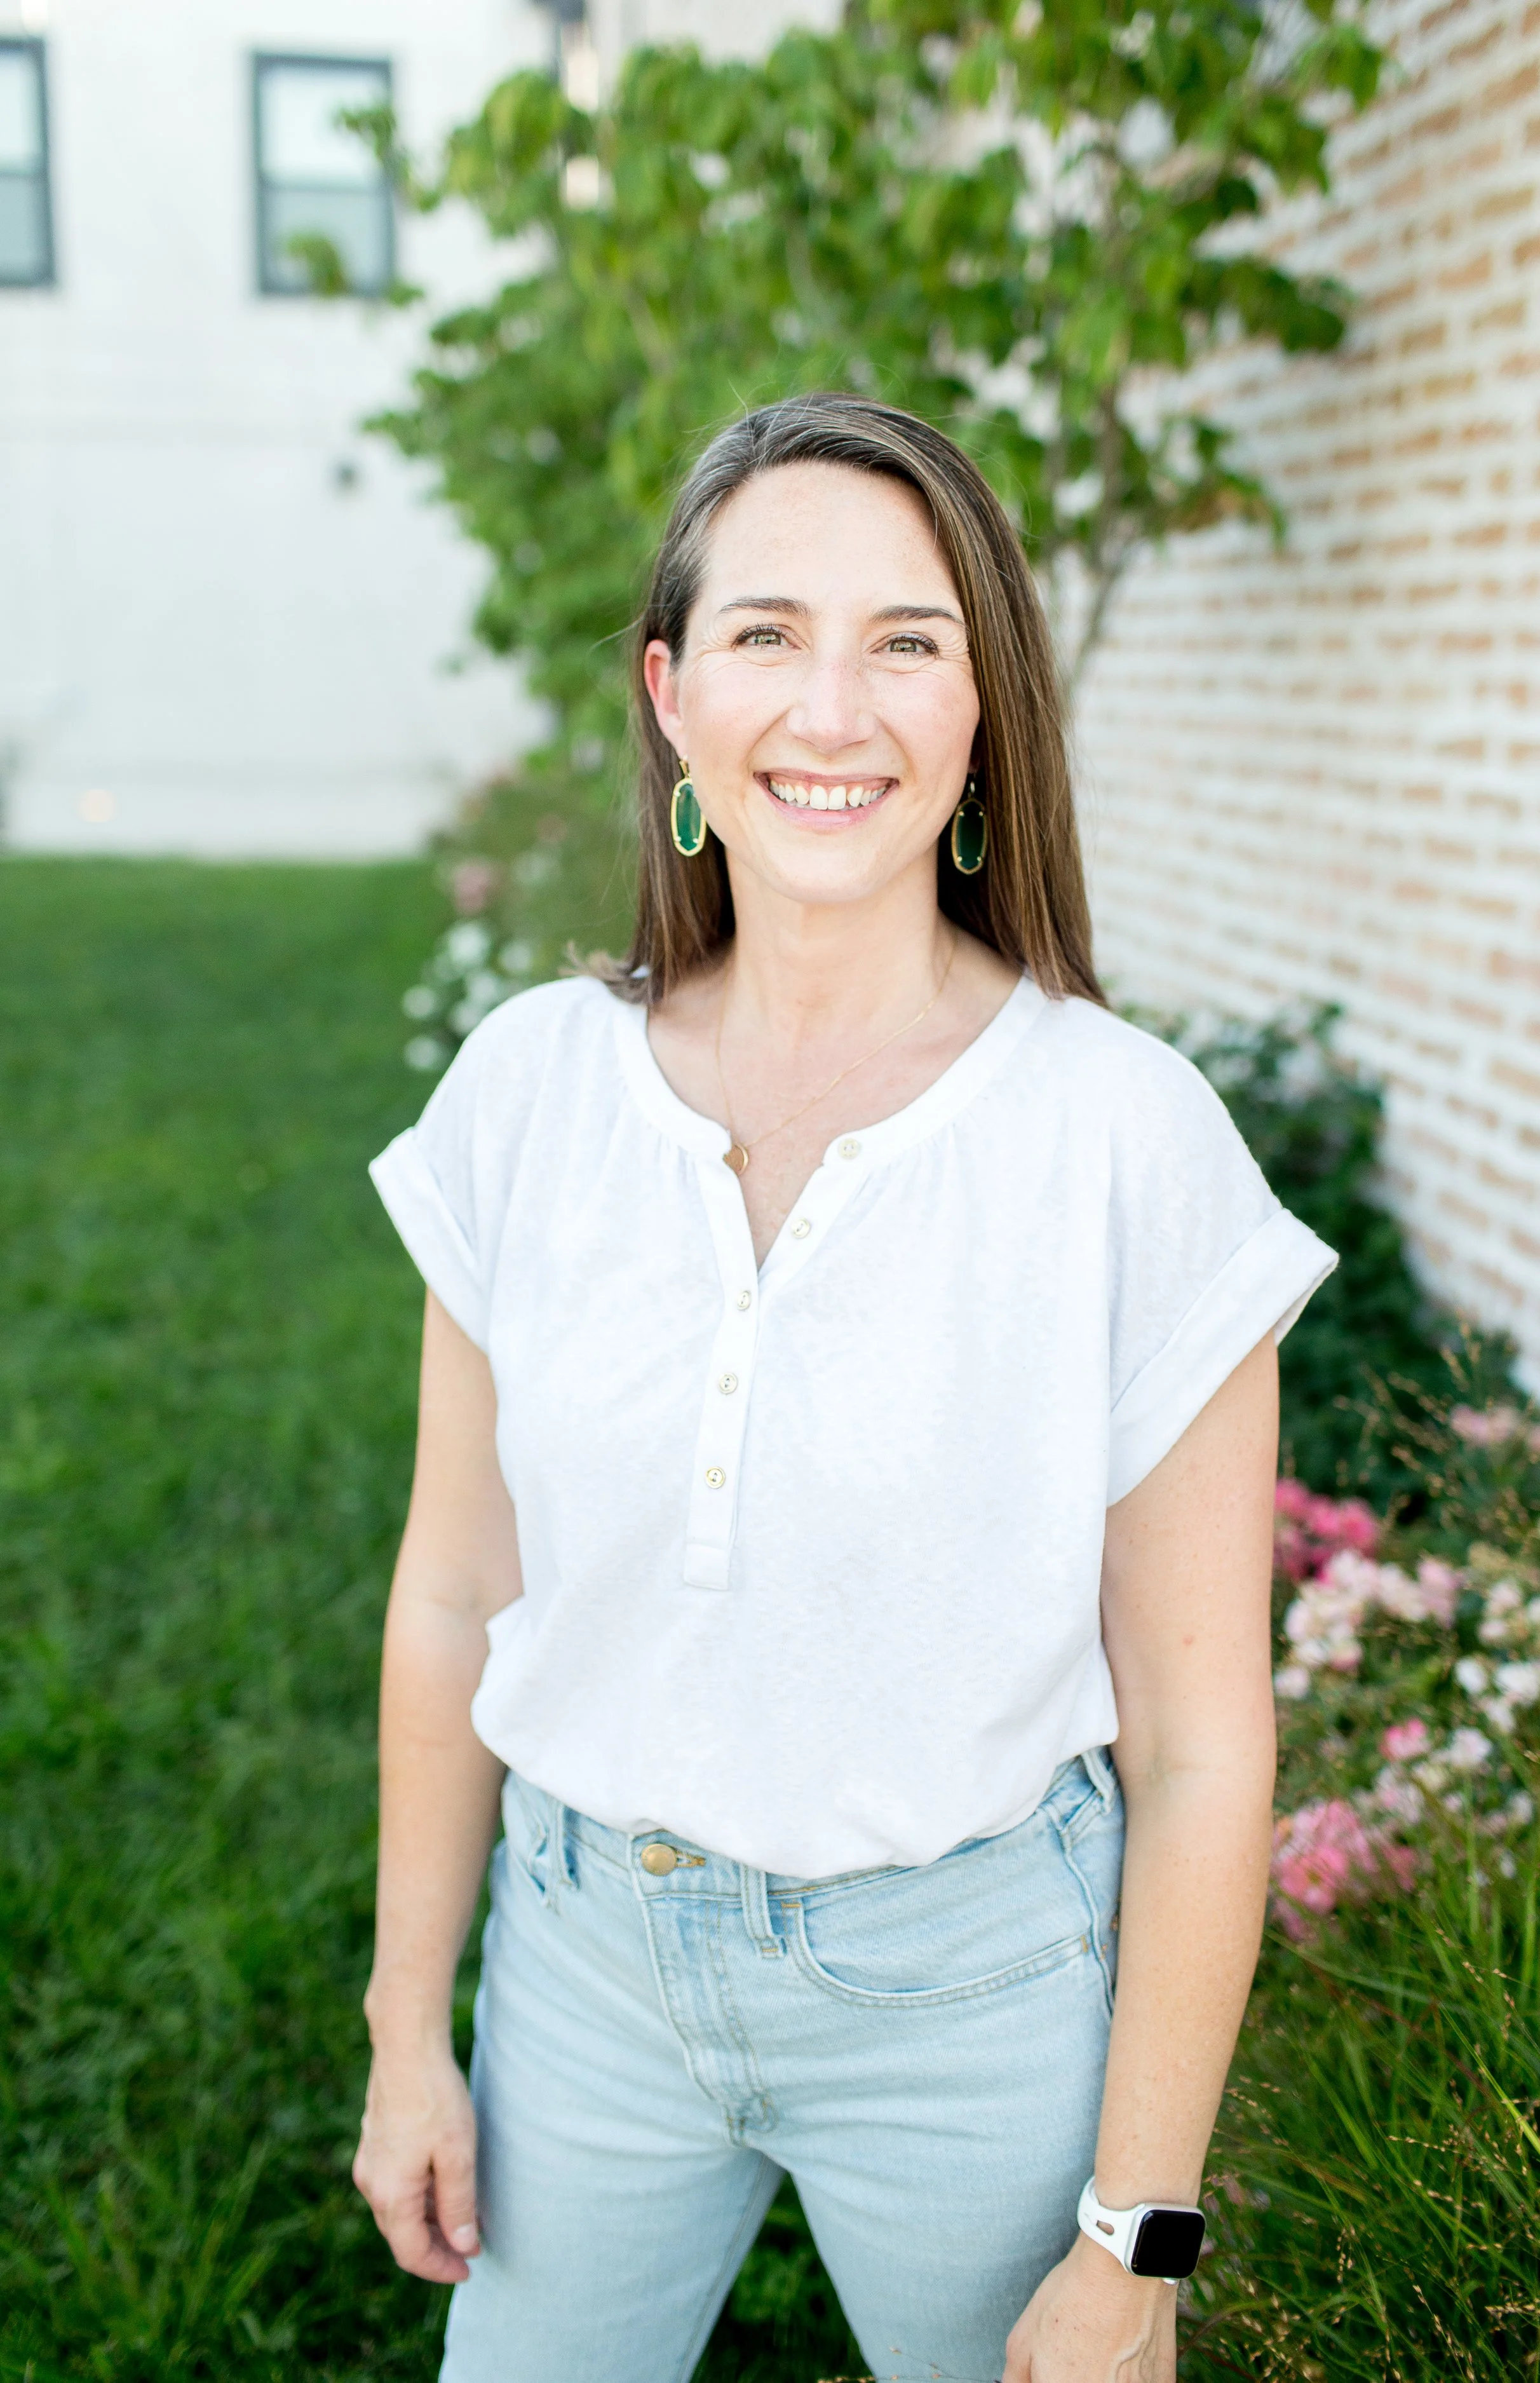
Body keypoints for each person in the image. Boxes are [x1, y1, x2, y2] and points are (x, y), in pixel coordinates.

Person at [353, 393, 1335, 2383]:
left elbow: (1202, 1744)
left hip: (970, 1996)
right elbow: (455, 1596)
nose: (834, 708)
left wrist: (1133, 2230)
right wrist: (405, 2024)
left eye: (907, 642)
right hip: (586, 1964)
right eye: (765, 634)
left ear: (983, 719)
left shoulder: (1123, 1140)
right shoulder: (528, 1090)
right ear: (670, 696)